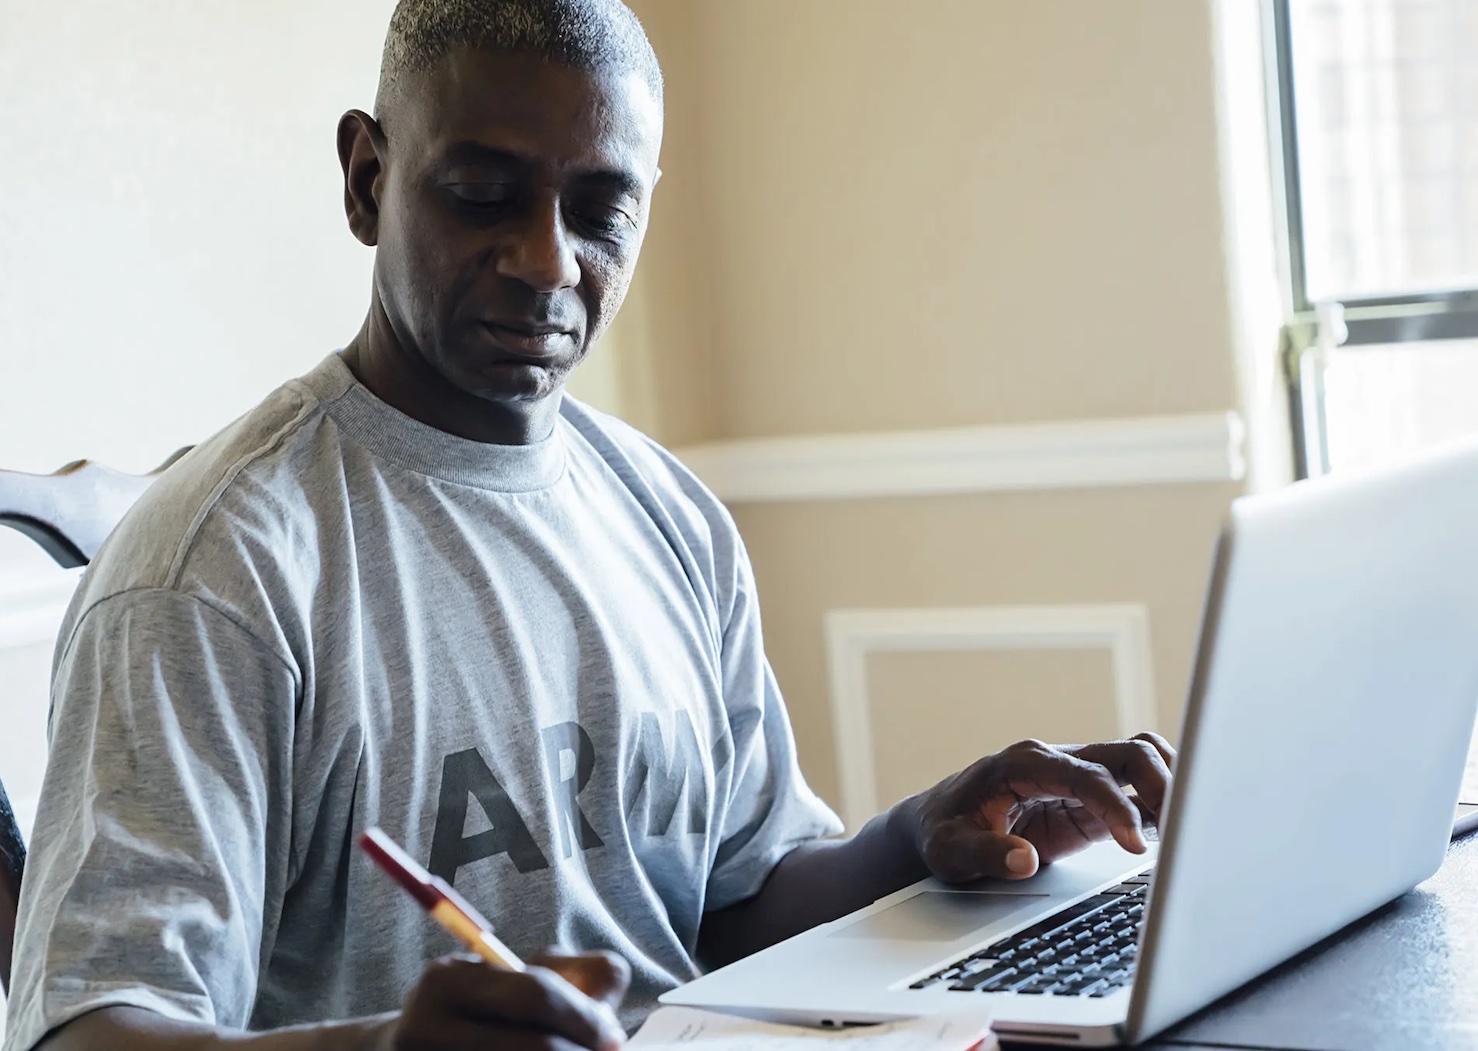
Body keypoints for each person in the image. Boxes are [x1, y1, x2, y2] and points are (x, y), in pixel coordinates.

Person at [3, 2, 1175, 1049]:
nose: (546, 260)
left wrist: (919, 834)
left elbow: (736, 899)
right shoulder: (216, 568)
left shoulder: (669, 515)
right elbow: (91, 1027)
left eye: (600, 208)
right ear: (367, 177)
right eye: (482, 196)